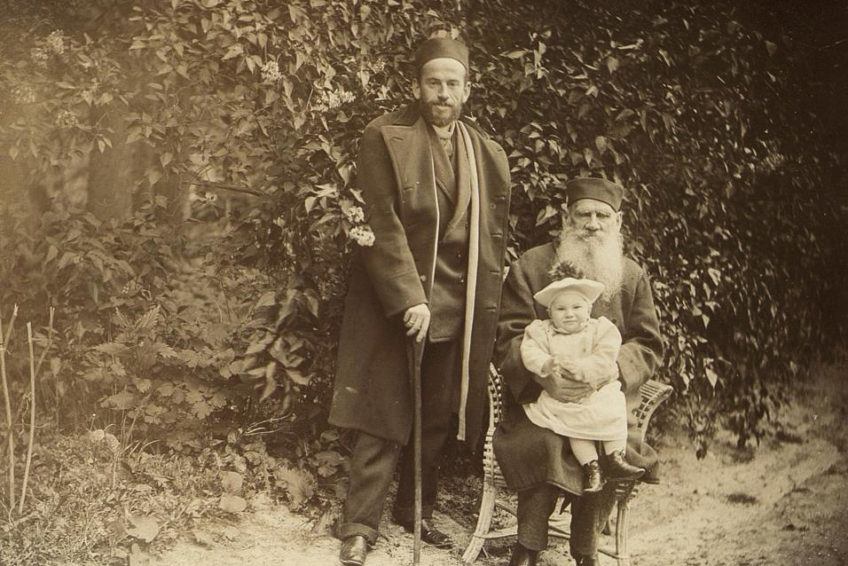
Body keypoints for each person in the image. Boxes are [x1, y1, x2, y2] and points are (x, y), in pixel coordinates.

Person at [329, 36, 511, 566]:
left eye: (453, 84)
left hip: (458, 304)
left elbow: (488, 237)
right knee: (383, 414)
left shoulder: (486, 153)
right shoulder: (385, 137)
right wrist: (410, 297)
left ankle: (416, 510)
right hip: (399, 301)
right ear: (416, 86)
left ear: (467, 90)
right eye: (434, 83)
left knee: (434, 416)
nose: (443, 93)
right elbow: (381, 222)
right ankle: (359, 526)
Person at [493, 177, 664, 566]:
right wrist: (543, 377)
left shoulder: (631, 275)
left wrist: (609, 371)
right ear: (566, 218)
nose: (592, 224)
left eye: (602, 216)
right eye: (583, 214)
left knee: (611, 448)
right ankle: (528, 546)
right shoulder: (530, 266)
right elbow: (509, 336)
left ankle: (586, 552)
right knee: (544, 441)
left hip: (605, 400)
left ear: (618, 222)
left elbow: (648, 344)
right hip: (542, 398)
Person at [520, 274, 646, 494]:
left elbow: (607, 353)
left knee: (614, 405)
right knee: (574, 424)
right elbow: (529, 351)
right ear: (550, 313)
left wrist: (586, 369)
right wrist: (546, 364)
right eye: (561, 309)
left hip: (596, 387)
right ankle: (592, 468)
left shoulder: (599, 329)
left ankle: (616, 457)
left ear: (588, 310)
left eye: (576, 307)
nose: (569, 314)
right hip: (562, 394)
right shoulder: (542, 331)